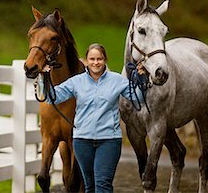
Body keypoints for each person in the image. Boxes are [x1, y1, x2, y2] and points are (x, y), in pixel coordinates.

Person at [44, 43, 142, 193]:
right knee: (89, 186)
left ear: (105, 60)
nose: (96, 62)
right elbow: (52, 98)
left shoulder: (116, 80)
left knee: (103, 184)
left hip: (109, 140)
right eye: (92, 59)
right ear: (87, 61)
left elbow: (137, 98)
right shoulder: (77, 82)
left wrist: (141, 80)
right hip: (82, 142)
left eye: (99, 59)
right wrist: (44, 77)